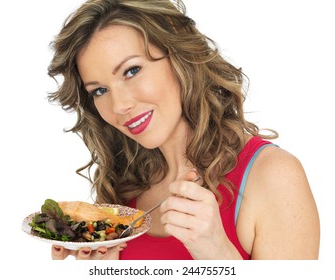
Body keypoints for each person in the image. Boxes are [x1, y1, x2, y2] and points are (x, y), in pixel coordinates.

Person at [48, 0, 320, 260]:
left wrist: (218, 253)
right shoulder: (122, 189)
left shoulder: (274, 176)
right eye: (100, 90)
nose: (119, 106)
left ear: (179, 57)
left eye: (131, 71)